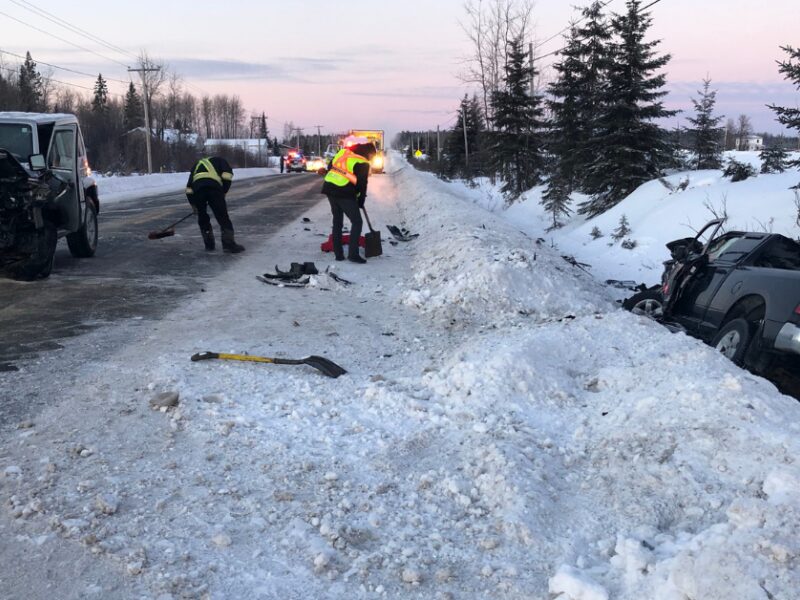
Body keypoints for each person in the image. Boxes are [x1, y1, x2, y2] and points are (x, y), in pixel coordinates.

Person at [321, 136, 376, 264]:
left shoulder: (343, 152)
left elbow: (330, 167)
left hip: (329, 187)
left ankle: (338, 254)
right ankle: (353, 254)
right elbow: (362, 184)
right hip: (343, 191)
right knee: (357, 222)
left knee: (337, 221)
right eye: (372, 156)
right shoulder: (362, 162)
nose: (371, 159)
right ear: (369, 153)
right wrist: (361, 200)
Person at [185, 156, 245, 253]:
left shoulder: (196, 165)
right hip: (214, 189)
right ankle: (228, 244)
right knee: (222, 216)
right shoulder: (221, 160)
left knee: (202, 217)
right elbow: (227, 175)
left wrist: (194, 205)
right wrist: (223, 192)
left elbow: (189, 189)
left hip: (198, 190)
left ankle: (209, 244)